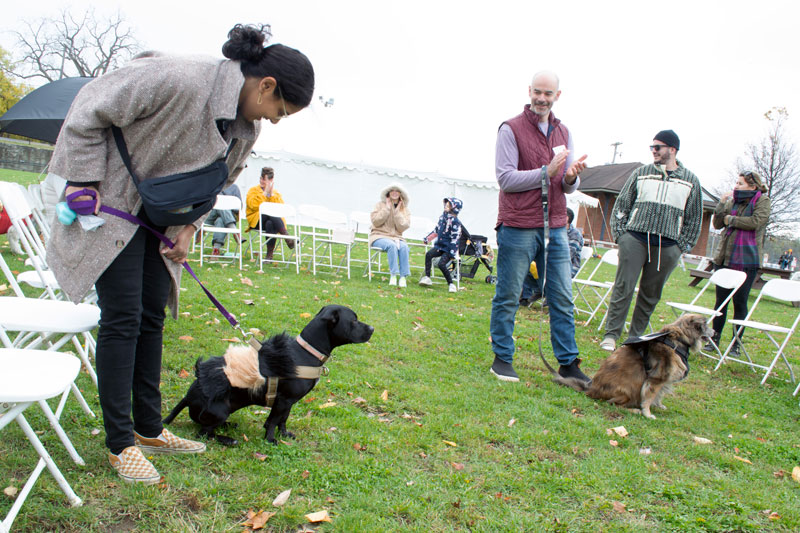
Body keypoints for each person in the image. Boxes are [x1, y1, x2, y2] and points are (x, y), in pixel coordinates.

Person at [46, 24, 314, 484]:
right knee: (123, 317)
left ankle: (150, 430)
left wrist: (189, 227)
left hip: (160, 219)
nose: (274, 120)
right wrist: (84, 179)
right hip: (112, 204)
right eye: (279, 110)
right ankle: (120, 445)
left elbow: (217, 182)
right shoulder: (179, 76)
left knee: (152, 315)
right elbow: (90, 107)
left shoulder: (244, 128)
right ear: (265, 85)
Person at [489, 70, 589, 383]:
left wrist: (571, 177)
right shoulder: (510, 129)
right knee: (509, 295)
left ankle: (568, 364)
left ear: (557, 96)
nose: (542, 99)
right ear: (529, 91)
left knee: (561, 296)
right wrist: (546, 171)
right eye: (538, 92)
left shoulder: (564, 132)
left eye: (548, 94)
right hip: (518, 224)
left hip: (557, 225)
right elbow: (506, 179)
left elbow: (566, 184)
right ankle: (502, 358)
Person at [600, 130, 703, 352]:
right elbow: (621, 206)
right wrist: (622, 236)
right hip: (635, 239)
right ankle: (611, 334)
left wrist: (680, 246)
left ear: (672, 149)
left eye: (658, 147)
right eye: (652, 147)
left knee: (650, 294)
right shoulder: (641, 173)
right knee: (623, 287)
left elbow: (694, 218)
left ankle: (636, 339)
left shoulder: (691, 181)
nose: (654, 151)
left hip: (667, 245)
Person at [706, 171, 770, 356]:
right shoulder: (731, 201)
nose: (736, 186)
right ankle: (714, 338)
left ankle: (736, 343)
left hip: (746, 259)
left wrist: (731, 220)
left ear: (753, 186)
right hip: (725, 258)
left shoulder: (762, 201)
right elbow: (718, 224)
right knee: (720, 302)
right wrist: (720, 205)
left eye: (740, 183)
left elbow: (756, 222)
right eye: (736, 182)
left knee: (740, 302)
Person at [246, 166, 294, 260]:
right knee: (268, 212)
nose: (262, 181)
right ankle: (286, 236)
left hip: (272, 223)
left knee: (270, 223)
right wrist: (264, 194)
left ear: (271, 180)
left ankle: (269, 255)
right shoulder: (253, 190)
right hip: (256, 220)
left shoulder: (276, 193)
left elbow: (280, 209)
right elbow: (253, 205)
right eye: (261, 179)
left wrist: (271, 194)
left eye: (265, 180)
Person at [369, 183, 411, 287]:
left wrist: (397, 213)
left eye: (397, 191)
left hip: (397, 237)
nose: (394, 193)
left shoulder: (404, 209)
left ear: (400, 194)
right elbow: (376, 221)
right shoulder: (379, 205)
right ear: (388, 193)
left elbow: (403, 226)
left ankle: (403, 277)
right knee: (391, 246)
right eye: (392, 190)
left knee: (404, 247)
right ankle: (393, 275)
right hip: (379, 235)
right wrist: (387, 209)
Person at [418, 197, 463, 293]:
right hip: (440, 246)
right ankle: (427, 277)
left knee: (441, 264)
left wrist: (452, 252)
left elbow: (455, 237)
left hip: (449, 248)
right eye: (445, 204)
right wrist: (428, 238)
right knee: (429, 255)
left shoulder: (455, 222)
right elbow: (437, 231)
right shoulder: (442, 218)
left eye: (449, 205)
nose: (446, 206)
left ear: (454, 208)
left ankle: (451, 284)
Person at [206, 183, 242, 255]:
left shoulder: (234, 188)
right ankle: (235, 231)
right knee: (220, 203)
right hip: (210, 215)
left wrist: (228, 206)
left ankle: (216, 249)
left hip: (226, 217)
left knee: (220, 219)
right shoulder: (214, 184)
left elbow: (239, 207)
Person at [566, 207, 584, 277]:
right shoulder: (556, 231)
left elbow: (568, 255)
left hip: (570, 267)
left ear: (566, 218)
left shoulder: (575, 234)